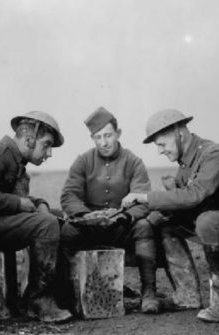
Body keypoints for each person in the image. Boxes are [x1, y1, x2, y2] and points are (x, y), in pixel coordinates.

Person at [121, 109, 219, 320]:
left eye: (162, 144)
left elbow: (194, 195)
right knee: (162, 223)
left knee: (206, 222)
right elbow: (179, 202)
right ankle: (186, 295)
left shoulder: (214, 154)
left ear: (179, 133)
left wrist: (145, 197)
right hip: (209, 219)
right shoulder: (186, 162)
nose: (160, 151)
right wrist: (144, 220)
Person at [0, 111, 72, 323]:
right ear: (29, 139)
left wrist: (39, 204)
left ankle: (61, 294)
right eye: (46, 145)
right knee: (46, 224)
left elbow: (15, 195)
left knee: (56, 218)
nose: (49, 153)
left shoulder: (14, 160)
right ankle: (38, 301)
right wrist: (19, 204)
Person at [59, 107, 158, 313]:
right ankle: (67, 293)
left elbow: (143, 201)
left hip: (121, 227)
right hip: (90, 227)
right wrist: (87, 216)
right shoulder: (83, 161)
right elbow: (69, 195)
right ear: (92, 138)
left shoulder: (133, 162)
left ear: (118, 134)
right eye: (98, 137)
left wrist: (123, 217)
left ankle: (149, 292)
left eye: (108, 135)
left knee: (144, 227)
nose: (103, 142)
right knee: (67, 231)